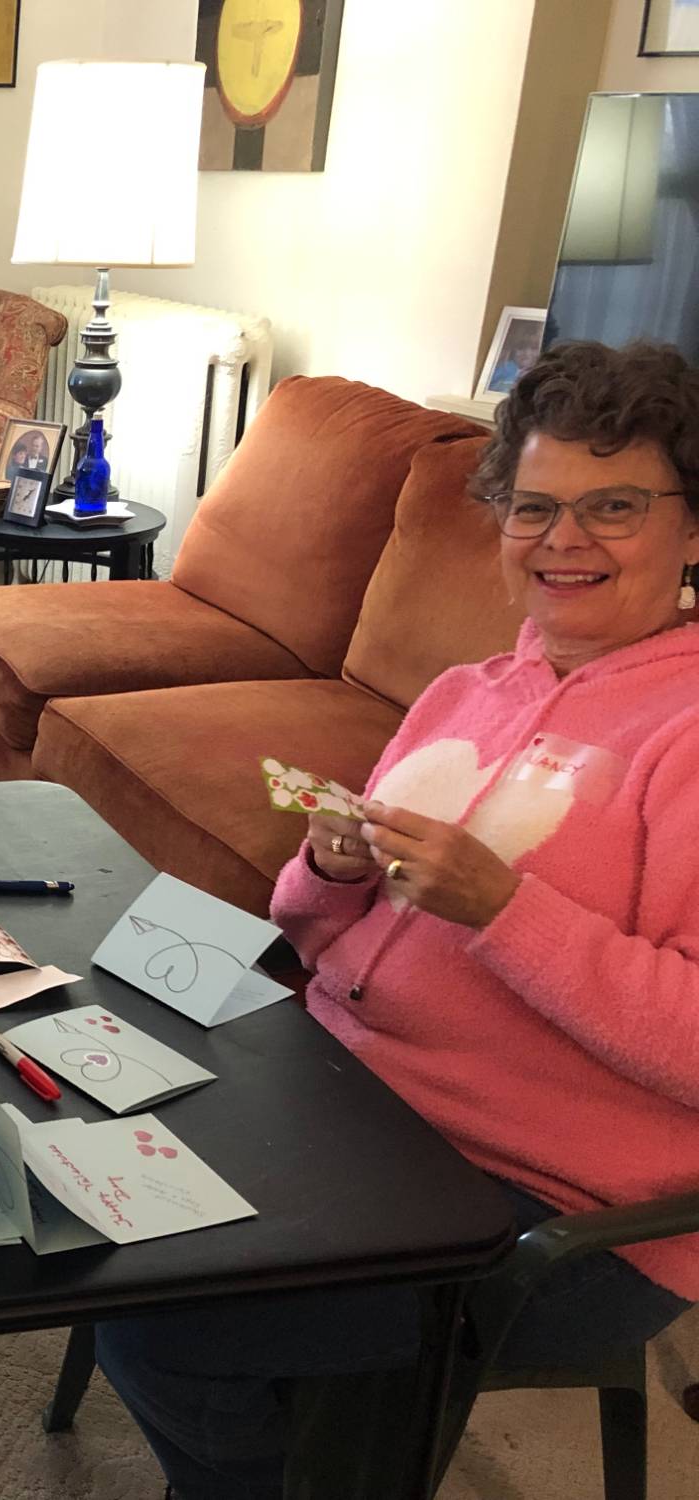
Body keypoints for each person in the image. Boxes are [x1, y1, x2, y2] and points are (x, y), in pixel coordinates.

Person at [93, 339, 699, 1500]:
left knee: (160, 1321)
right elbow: (314, 933)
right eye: (531, 507)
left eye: (611, 506)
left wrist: (502, 910)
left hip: (541, 1201)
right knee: (79, 1156)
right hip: (346, 1096)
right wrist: (328, 871)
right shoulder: (463, 692)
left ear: (688, 525)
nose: (561, 540)